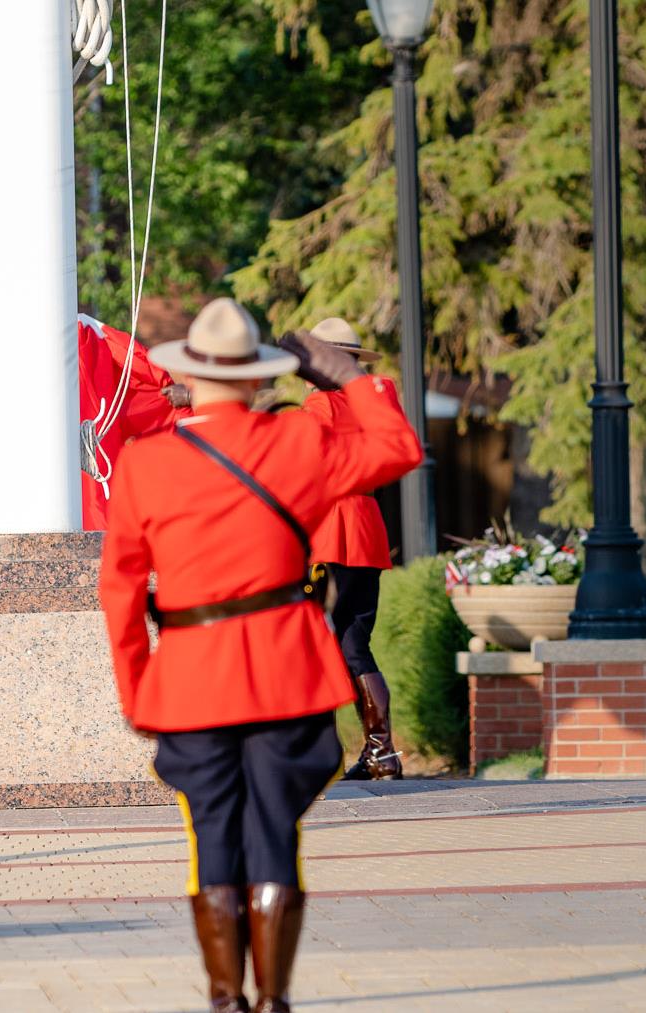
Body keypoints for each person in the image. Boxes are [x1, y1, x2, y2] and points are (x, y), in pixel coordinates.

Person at [100, 299, 423, 1012]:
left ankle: (225, 997)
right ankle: (273, 998)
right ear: (256, 379)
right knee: (276, 825)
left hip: (189, 678)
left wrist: (135, 689)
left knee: (212, 827)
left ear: (192, 376)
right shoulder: (296, 444)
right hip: (285, 672)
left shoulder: (148, 462)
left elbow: (119, 587)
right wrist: (346, 378)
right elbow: (398, 449)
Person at [302, 318, 405, 781]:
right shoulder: (378, 404)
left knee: (315, 644)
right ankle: (380, 752)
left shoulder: (318, 405)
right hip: (365, 527)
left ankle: (324, 755)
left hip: (327, 531)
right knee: (353, 642)